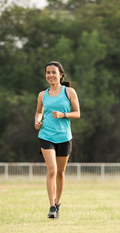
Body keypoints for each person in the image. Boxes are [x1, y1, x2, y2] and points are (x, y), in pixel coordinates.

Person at [34, 61, 80, 219]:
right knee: (52, 170)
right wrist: (37, 120)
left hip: (64, 137)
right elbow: (39, 112)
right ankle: (51, 207)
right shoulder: (42, 95)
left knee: (60, 173)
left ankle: (58, 202)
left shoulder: (69, 92)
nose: (50, 75)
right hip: (46, 136)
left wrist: (63, 115)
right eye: (48, 72)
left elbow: (77, 113)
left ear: (61, 75)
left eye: (53, 72)